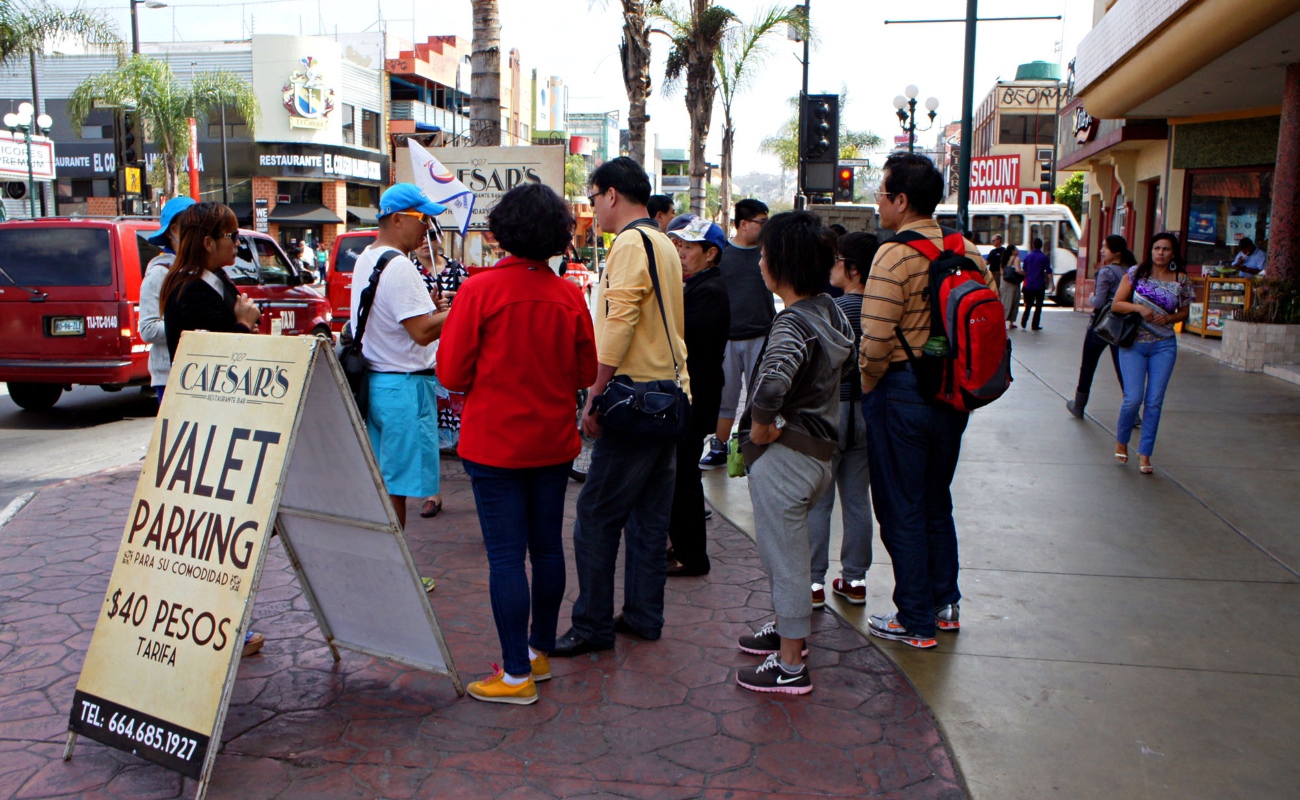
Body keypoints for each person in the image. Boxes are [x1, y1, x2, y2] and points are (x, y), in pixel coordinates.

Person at [438, 183, 597, 705]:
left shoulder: (479, 291)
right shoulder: (570, 295)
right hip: (552, 440)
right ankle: (537, 652)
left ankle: (513, 676)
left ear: (504, 231)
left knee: (506, 558)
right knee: (547, 547)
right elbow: (585, 371)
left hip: (494, 443)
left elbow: (453, 373)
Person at [552, 157, 689, 656]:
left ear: (612, 194)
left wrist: (594, 391)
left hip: (635, 398)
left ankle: (591, 625)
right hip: (669, 396)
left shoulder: (631, 243)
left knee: (595, 515)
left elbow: (620, 322)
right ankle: (643, 614)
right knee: (649, 519)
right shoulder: (664, 243)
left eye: (593, 198)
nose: (594, 208)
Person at [859, 152, 992, 649]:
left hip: (901, 393)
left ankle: (914, 619)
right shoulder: (968, 252)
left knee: (901, 508)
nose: (878, 204)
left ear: (901, 200)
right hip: (953, 396)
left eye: (882, 195)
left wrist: (871, 388)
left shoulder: (893, 255)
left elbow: (873, 342)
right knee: (936, 501)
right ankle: (944, 604)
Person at [733, 211, 854, 695]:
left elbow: (771, 387)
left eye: (764, 254)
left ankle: (789, 665)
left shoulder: (791, 324)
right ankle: (788, 630)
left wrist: (762, 428)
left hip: (787, 459)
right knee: (792, 557)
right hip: (820, 453)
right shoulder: (831, 311)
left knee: (785, 560)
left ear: (779, 264)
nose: (759, 261)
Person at [158, 201, 266, 660]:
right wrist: (243, 325)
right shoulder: (188, 292)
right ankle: (215, 625)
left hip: (228, 425)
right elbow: (216, 363)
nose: (237, 245)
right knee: (209, 535)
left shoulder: (216, 281)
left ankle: (227, 620)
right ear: (207, 243)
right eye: (231, 238)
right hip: (203, 426)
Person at [349, 184, 451, 531]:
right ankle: (398, 576)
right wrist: (462, 309)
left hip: (378, 383)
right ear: (397, 220)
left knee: (386, 480)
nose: (428, 228)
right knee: (397, 486)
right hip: (404, 389)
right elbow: (421, 332)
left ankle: (387, 570)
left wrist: (434, 313)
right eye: (422, 218)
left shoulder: (367, 257)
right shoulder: (401, 266)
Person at [808, 232, 877, 610]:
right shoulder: (881, 308)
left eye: (837, 261)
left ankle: (814, 583)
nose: (831, 267)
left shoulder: (834, 311)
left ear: (852, 269)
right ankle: (855, 579)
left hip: (832, 413)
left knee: (819, 501)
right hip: (866, 413)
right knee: (856, 500)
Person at [666, 216, 730, 577]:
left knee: (684, 478)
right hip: (692, 396)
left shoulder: (710, 291)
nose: (681, 253)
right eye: (679, 246)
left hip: (697, 397)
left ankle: (692, 556)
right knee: (680, 475)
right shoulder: (696, 285)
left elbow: (682, 338)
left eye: (689, 247)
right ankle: (683, 547)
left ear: (711, 253)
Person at [1110, 233, 1192, 474]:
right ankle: (1121, 440)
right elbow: (1116, 303)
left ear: (1173, 253)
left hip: (1164, 345)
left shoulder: (1181, 280)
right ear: (1151, 250)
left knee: (1154, 402)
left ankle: (1145, 454)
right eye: (1157, 248)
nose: (1161, 252)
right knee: (1133, 398)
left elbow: (1185, 312)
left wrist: (1170, 317)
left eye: (1166, 249)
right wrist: (1140, 308)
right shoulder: (1136, 273)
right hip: (1133, 344)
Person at [701, 198, 773, 470]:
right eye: (761, 222)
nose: (766, 227)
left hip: (761, 336)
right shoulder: (721, 255)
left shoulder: (769, 254)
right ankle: (720, 447)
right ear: (743, 224)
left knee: (761, 396)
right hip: (727, 338)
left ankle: (754, 447)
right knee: (726, 397)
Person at [1067, 234, 1136, 417]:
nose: (1101, 250)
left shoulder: (1106, 272)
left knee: (1088, 366)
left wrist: (1089, 297)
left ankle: (1079, 406)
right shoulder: (1132, 271)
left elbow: (1098, 302)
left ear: (1117, 251)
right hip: (1123, 327)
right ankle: (1133, 412)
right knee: (1123, 369)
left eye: (1105, 247)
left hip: (1101, 326)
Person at [139, 195, 195, 404]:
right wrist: (189, 329)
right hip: (170, 375)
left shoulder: (199, 270)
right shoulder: (159, 273)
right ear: (173, 230)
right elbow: (148, 328)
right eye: (190, 226)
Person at [1019, 238, 1053, 330]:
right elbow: (1048, 271)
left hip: (1029, 284)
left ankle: (1024, 321)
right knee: (1038, 306)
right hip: (1039, 284)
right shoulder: (1044, 257)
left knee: (1028, 305)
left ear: (1033, 245)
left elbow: (1024, 271)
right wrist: (1052, 283)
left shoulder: (1027, 257)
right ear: (1041, 246)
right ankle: (1035, 325)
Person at [1000, 244, 1022, 328]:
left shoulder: (1003, 259)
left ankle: (1002, 320)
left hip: (1004, 282)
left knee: (1005, 301)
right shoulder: (1016, 259)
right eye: (1016, 249)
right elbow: (1018, 270)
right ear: (1013, 251)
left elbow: (1002, 272)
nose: (1017, 250)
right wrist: (1025, 274)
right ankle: (1011, 323)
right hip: (1013, 282)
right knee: (1013, 301)